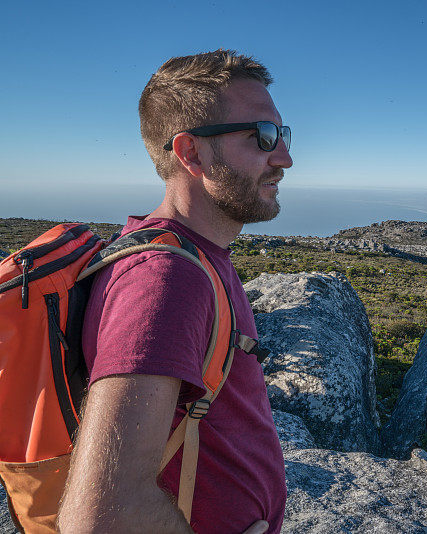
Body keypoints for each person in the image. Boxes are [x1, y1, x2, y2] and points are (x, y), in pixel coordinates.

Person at [57, 50, 292, 534]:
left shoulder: (194, 257)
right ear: (191, 153)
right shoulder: (165, 278)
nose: (285, 158)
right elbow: (101, 516)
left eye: (283, 135)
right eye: (263, 137)